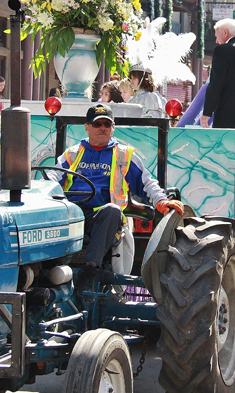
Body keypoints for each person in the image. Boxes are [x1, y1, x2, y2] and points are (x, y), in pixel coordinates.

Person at [56, 104, 184, 295]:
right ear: (87, 127)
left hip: (103, 218)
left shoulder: (123, 155)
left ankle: (89, 272)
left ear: (113, 128)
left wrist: (161, 201)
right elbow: (52, 178)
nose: (102, 128)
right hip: (72, 215)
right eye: (97, 124)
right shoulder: (71, 155)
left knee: (112, 210)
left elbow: (146, 182)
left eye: (107, 124)